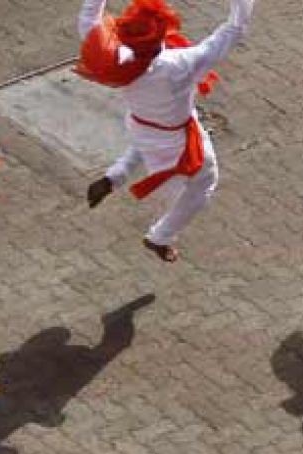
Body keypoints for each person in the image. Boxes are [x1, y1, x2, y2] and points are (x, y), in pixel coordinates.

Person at [77, 0, 255, 262]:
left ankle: (115, 177)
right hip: (176, 138)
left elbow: (89, 18)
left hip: (142, 125)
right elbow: (234, 29)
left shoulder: (113, 58)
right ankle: (159, 236)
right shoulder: (180, 64)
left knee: (146, 141)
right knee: (205, 182)